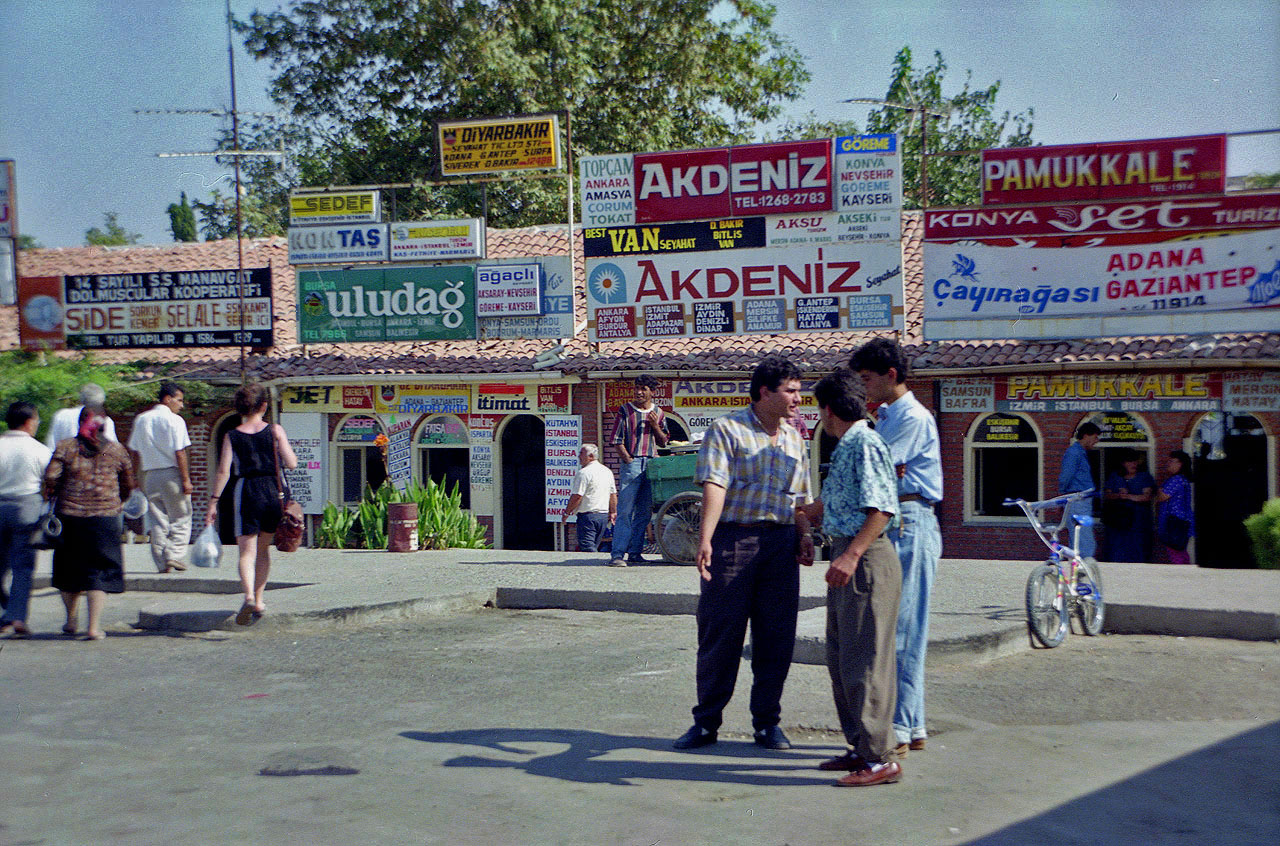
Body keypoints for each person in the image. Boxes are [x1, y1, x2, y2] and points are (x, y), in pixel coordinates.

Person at [673, 356, 813, 752]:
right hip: (734, 542)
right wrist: (706, 539)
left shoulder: (794, 438)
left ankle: (767, 723)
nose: (797, 399)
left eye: (799, 391)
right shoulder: (727, 430)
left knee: (777, 636)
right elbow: (714, 486)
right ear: (765, 392)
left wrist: (804, 534)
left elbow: (800, 498)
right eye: (790, 391)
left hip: (781, 545)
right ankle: (706, 723)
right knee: (721, 632)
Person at [797, 370, 903, 786]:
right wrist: (802, 515)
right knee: (844, 658)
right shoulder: (848, 446)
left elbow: (882, 508)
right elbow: (835, 501)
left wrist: (852, 555)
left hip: (866, 559)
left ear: (827, 409)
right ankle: (861, 747)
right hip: (848, 555)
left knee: (866, 662)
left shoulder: (865, 444)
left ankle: (879, 758)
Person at [850, 338, 942, 759]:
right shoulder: (887, 415)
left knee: (901, 630)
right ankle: (912, 721)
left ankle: (900, 728)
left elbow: (877, 466)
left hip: (910, 518)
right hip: (900, 517)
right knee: (900, 629)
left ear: (891, 375)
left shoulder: (910, 416)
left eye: (867, 379)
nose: (863, 388)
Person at [205, 383, 298, 625]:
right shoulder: (275, 430)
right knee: (263, 550)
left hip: (245, 491)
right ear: (264, 406)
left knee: (246, 552)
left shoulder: (231, 436)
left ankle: (246, 595)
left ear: (240, 408)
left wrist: (214, 502)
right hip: (272, 492)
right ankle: (258, 599)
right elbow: (291, 463)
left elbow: (223, 471)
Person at [43, 406, 135, 640]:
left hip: (70, 516)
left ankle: (71, 620)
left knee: (68, 569)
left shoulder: (66, 447)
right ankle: (93, 627)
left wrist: (53, 492)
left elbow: (51, 477)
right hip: (105, 518)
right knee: (100, 571)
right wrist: (118, 499)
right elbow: (128, 484)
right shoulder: (116, 450)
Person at [128, 381, 193, 573]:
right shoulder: (175, 421)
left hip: (150, 475)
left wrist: (136, 475)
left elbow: (135, 451)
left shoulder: (141, 419)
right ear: (168, 399)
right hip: (171, 473)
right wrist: (186, 479)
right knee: (181, 516)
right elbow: (180, 452)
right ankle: (173, 554)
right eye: (179, 400)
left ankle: (161, 563)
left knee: (157, 520)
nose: (181, 405)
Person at [0, 402, 53, 638]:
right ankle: (17, 615)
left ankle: (9, 609)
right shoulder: (39, 449)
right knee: (23, 567)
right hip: (27, 507)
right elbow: (52, 480)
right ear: (29, 422)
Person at [609, 374, 669, 567]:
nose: (639, 392)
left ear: (652, 392)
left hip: (651, 464)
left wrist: (654, 425)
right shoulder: (625, 410)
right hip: (632, 464)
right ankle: (617, 555)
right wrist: (628, 459)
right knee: (625, 511)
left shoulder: (659, 413)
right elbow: (616, 440)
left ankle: (635, 553)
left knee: (644, 512)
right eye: (637, 388)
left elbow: (663, 441)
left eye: (643, 388)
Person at [561, 443, 617, 554]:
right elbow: (613, 494)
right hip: (602, 516)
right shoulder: (607, 471)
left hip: (588, 516)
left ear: (590, 456)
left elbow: (577, 496)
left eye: (581, 453)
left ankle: (592, 568)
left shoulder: (584, 473)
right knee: (594, 545)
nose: (578, 456)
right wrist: (613, 512)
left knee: (587, 547)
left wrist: (567, 513)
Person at [1058, 421, 1101, 558]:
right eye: (1095, 437)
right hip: (1078, 500)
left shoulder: (1079, 452)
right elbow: (1066, 476)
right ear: (1086, 435)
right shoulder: (1074, 452)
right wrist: (1063, 496)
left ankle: (1077, 568)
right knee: (1084, 539)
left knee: (1079, 537)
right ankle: (1085, 568)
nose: (1096, 441)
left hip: (1080, 500)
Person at [1104, 449, 1155, 562]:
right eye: (1130, 462)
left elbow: (1147, 496)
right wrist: (1118, 495)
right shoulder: (1115, 476)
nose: (1134, 464)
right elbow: (1107, 495)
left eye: (1135, 462)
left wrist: (1128, 496)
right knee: (1117, 550)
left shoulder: (1144, 477)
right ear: (1123, 463)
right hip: (1119, 520)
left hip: (1138, 520)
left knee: (1138, 549)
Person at [45, 383, 117, 448]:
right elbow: (111, 448)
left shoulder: (61, 415)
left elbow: (51, 445)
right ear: (102, 401)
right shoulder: (106, 421)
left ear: (81, 399)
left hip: (63, 459)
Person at [1156, 450, 1195, 565]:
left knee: (1175, 550)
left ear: (1180, 464)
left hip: (1175, 522)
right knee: (1180, 550)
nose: (1168, 463)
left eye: (1172, 461)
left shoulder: (1177, 479)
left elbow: (1163, 497)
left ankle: (1180, 573)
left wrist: (1159, 490)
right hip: (1179, 521)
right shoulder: (1181, 479)